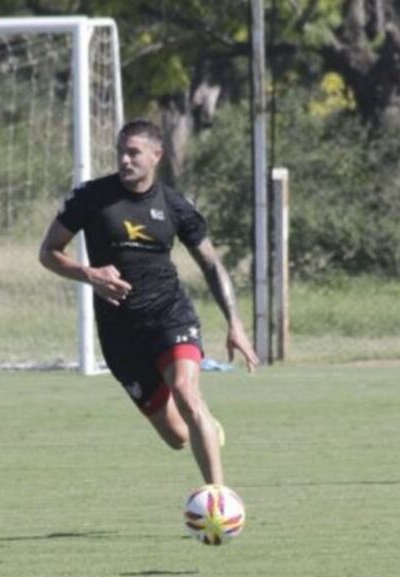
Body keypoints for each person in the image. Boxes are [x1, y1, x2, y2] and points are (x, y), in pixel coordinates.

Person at [39, 119, 259, 486]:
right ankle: (204, 427)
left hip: (170, 317)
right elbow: (48, 252)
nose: (124, 160)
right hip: (120, 334)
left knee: (188, 396)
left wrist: (235, 324)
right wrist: (90, 274)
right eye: (120, 152)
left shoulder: (176, 206)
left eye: (133, 153)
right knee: (177, 437)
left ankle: (217, 497)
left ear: (157, 155)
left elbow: (211, 265)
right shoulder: (91, 197)